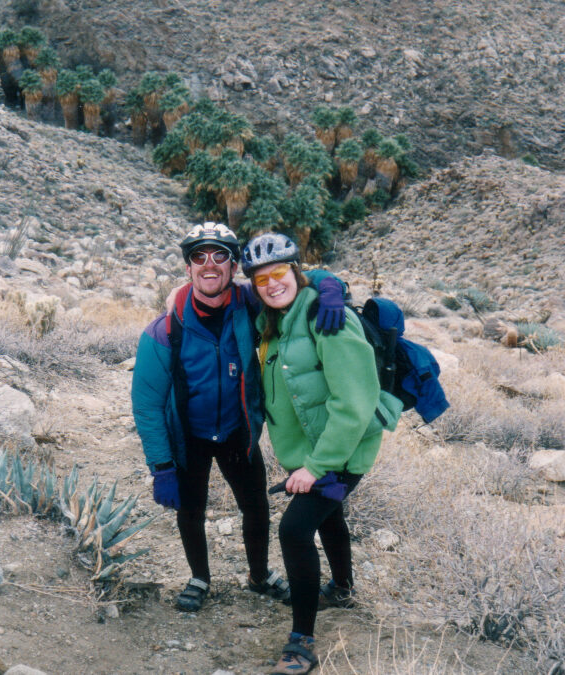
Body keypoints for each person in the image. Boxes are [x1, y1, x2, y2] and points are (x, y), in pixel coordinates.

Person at [131, 222, 347, 613]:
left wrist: (331, 286)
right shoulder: (165, 329)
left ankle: (259, 576)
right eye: (199, 256)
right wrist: (161, 466)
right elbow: (146, 404)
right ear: (188, 267)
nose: (209, 264)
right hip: (190, 436)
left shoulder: (252, 305)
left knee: (255, 507)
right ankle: (199, 577)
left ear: (233, 267)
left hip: (238, 432)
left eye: (220, 256)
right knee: (191, 509)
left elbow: (290, 278)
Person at [241, 232, 402, 675]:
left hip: (342, 451)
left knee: (294, 530)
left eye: (279, 274)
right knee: (329, 517)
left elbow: (353, 404)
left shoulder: (325, 318)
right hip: (309, 452)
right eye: (261, 280)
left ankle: (302, 643)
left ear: (296, 272)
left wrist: (316, 467)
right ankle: (344, 588)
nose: (271, 284)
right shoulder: (273, 324)